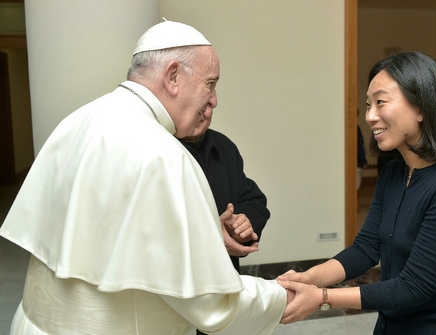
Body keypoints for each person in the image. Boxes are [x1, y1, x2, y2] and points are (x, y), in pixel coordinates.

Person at [0, 20, 288, 335]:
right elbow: (210, 306)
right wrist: (283, 296)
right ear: (173, 76)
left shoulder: (80, 119)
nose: (214, 99)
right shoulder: (165, 155)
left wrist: (197, 230)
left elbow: (99, 227)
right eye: (210, 83)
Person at [278, 52, 436, 334]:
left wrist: (323, 298)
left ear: (422, 107)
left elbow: (414, 287)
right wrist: (309, 278)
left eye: (380, 102)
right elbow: (365, 249)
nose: (369, 116)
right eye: (368, 105)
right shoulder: (393, 173)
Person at [178, 109, 271, 335]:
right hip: (176, 281)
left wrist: (244, 223)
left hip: (220, 281)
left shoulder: (223, 146)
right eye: (198, 106)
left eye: (209, 107)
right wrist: (211, 231)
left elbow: (252, 198)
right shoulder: (159, 148)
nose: (204, 113)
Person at [357, 109, 368, 190]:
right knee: (356, 185)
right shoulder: (356, 129)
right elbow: (360, 146)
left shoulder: (356, 128)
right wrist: (363, 161)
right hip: (356, 162)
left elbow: (360, 146)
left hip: (356, 162)